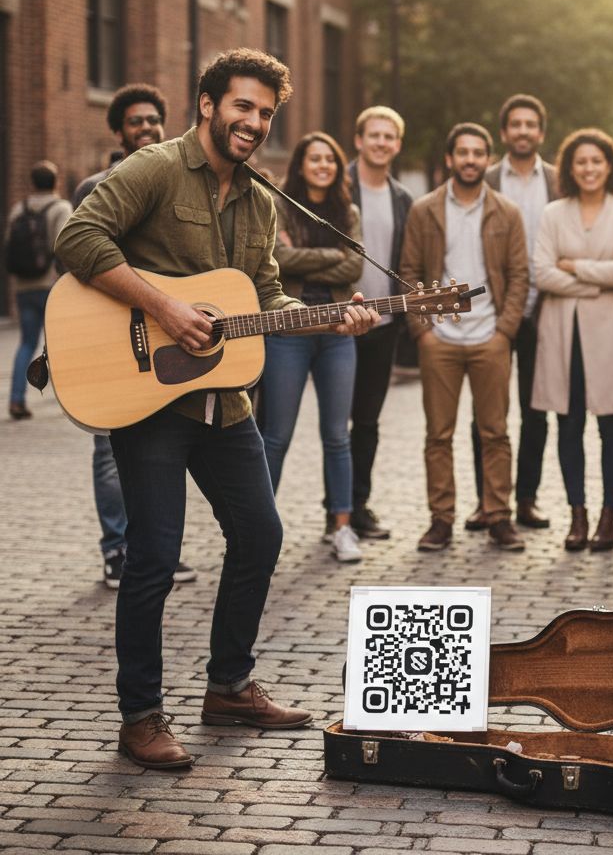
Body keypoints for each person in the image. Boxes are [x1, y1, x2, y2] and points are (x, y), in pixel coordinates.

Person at [55, 48, 378, 770]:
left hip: (224, 403)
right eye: (243, 106)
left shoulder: (261, 201)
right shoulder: (156, 168)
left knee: (260, 535)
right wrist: (165, 307)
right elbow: (76, 237)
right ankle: (140, 715)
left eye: (265, 112)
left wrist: (332, 318)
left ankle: (229, 686)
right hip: (149, 399)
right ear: (208, 105)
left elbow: (264, 298)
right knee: (154, 557)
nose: (254, 122)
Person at [72, 84, 197, 590]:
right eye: (135, 122)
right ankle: (116, 550)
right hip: (107, 336)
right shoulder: (93, 188)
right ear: (118, 132)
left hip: (162, 336)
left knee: (160, 450)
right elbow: (77, 265)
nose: (146, 128)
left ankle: (153, 551)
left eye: (152, 120)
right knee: (109, 450)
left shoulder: (175, 185)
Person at [402, 122, 529, 553]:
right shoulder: (425, 210)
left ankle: (499, 517)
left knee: (495, 433)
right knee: (439, 435)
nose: (470, 160)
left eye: (478, 153)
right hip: (439, 341)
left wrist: (505, 331)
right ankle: (441, 520)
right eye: (463, 152)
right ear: (450, 158)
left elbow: (519, 276)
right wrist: (423, 331)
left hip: (490, 338)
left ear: (487, 160)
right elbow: (409, 273)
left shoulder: (507, 212)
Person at [532, 128, 613, 552]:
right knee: (568, 424)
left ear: (610, 165)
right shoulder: (553, 213)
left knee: (612, 425)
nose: (589, 168)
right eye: (581, 161)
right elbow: (542, 273)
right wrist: (598, 281)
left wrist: (574, 267)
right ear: (569, 168)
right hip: (564, 335)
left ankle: (608, 516)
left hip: (612, 334)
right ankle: (577, 515)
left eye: (597, 161)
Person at [259, 132, 365, 564]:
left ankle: (341, 527)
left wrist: (305, 255)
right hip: (289, 331)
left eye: (330, 159)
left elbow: (356, 265)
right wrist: (332, 254)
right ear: (300, 164)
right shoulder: (279, 205)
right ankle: (257, 530)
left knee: (338, 436)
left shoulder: (348, 212)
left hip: (338, 331)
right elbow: (277, 260)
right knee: (275, 437)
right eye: (315, 158)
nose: (323, 165)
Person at [467, 94, 559, 532]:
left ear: (541, 132)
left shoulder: (559, 181)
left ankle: (526, 499)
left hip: (545, 310)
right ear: (504, 133)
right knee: (487, 413)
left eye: (530, 124)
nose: (523, 131)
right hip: (494, 312)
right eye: (516, 124)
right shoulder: (483, 179)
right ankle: (487, 501)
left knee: (535, 411)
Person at [346, 106, 413, 542]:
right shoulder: (337, 185)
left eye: (389, 137)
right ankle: (335, 511)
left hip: (384, 324)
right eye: (375, 135)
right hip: (338, 321)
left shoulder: (403, 198)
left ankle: (358, 506)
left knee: (367, 421)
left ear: (397, 145)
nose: (381, 142)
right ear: (359, 140)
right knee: (335, 425)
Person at [5, 161, 72, 419]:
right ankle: (69, 400)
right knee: (61, 343)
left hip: (24, 287)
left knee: (27, 343)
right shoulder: (61, 208)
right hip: (52, 287)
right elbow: (64, 245)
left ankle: (16, 400)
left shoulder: (17, 210)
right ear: (56, 181)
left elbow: (9, 245)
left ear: (31, 183)